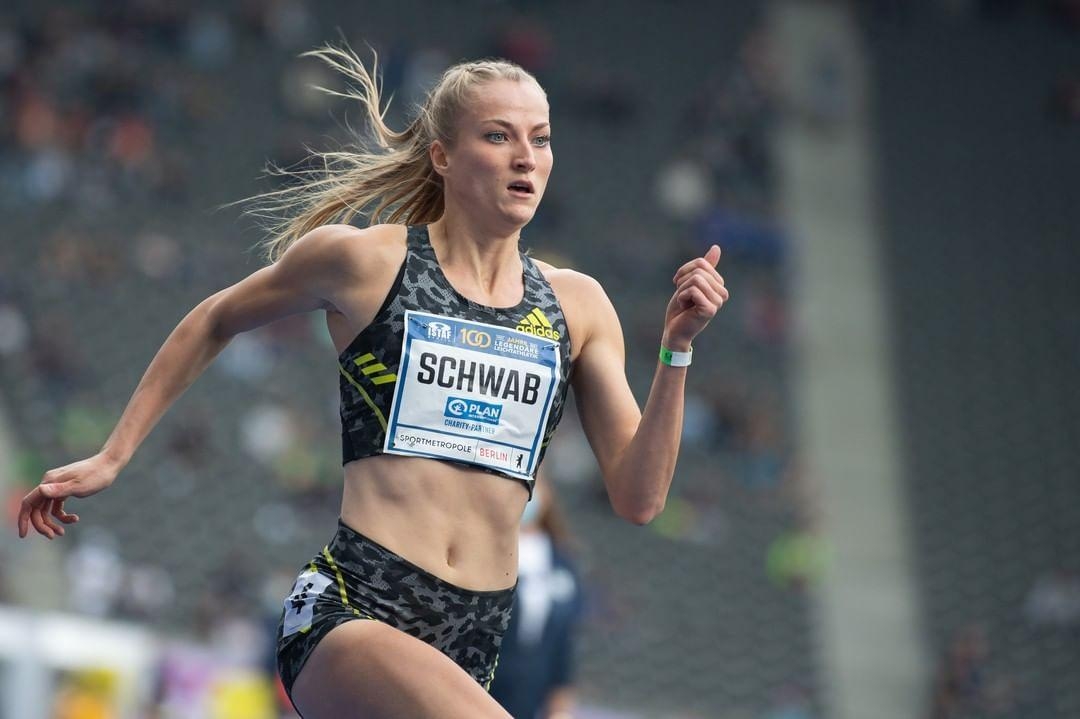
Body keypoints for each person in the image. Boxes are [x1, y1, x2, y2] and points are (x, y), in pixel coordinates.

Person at [17, 45, 729, 719]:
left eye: (540, 139)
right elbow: (215, 319)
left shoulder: (577, 305)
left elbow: (639, 498)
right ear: (442, 155)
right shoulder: (368, 263)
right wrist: (113, 454)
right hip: (356, 606)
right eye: (499, 136)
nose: (526, 157)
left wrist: (676, 351)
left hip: (474, 637)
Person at [489, 479, 584, 719]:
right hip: (481, 687)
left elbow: (564, 643)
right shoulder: (484, 551)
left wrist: (560, 707)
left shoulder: (561, 563)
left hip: (529, 699)